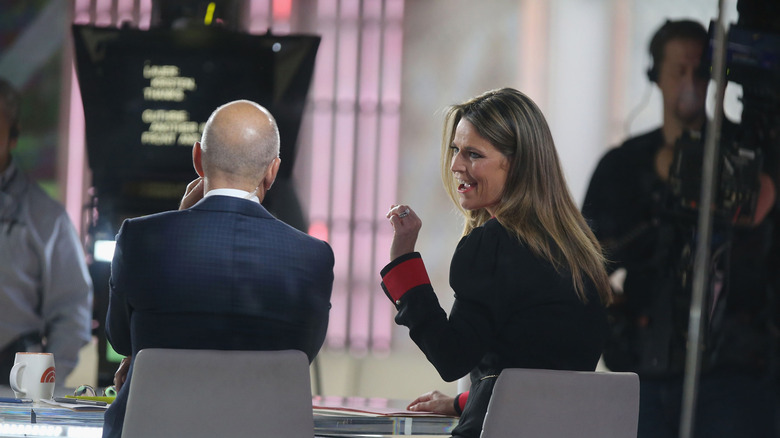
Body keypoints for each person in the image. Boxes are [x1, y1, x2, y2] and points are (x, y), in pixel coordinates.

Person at [582, 19, 777, 438]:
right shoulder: (623, 165)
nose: (690, 82)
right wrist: (613, 319)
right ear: (656, 76)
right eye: (678, 70)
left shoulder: (747, 158)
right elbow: (585, 259)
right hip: (645, 367)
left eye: (701, 70)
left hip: (734, 370)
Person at [380, 88, 612, 438]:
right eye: (455, 150)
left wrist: (403, 263)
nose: (457, 165)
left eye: (473, 154)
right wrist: (462, 402)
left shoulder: (493, 244)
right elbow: (541, 368)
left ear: (517, 164)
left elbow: (451, 357)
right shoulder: (579, 248)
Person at [102, 100, 334, 438]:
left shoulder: (140, 238)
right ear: (272, 170)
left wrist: (181, 215)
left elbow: (121, 339)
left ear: (198, 159)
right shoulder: (313, 257)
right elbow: (298, 359)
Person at [0, 77, 93, 384]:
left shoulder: (45, 218)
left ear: (13, 136)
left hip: (11, 378)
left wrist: (39, 388)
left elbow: (72, 310)